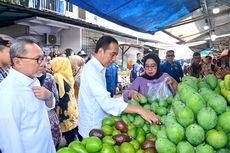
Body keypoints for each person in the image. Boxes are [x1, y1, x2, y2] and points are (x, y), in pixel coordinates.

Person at [78, 35, 160, 138]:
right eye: (112, 55)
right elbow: (106, 103)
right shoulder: (91, 70)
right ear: (100, 51)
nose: (114, 59)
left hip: (100, 125)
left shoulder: (99, 68)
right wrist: (140, 110)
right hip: (92, 129)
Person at [0, 37, 56, 153]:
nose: (43, 64)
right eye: (38, 59)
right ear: (17, 62)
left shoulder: (34, 79)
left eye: (43, 58)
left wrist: (49, 96)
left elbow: (47, 107)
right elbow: (11, 143)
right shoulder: (8, 93)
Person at [51, 57, 81, 144]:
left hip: (64, 109)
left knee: (68, 132)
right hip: (72, 107)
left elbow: (56, 95)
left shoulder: (57, 77)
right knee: (73, 129)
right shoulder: (67, 74)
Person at [36, 59, 62, 149]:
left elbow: (55, 98)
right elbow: (57, 98)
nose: (42, 63)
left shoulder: (49, 77)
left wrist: (49, 96)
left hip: (47, 119)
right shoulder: (49, 77)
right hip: (49, 118)